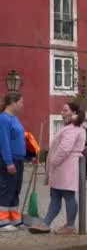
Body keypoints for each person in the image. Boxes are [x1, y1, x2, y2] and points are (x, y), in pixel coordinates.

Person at [29, 102, 86, 235]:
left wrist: (53, 162)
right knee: (55, 195)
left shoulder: (72, 128)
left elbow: (65, 148)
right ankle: (46, 224)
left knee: (68, 195)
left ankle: (70, 226)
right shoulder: (71, 127)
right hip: (62, 167)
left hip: (65, 167)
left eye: (65, 110)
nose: (62, 112)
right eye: (62, 110)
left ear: (73, 113)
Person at [0, 93, 26, 232]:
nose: (22, 105)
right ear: (12, 103)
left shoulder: (15, 118)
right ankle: (2, 220)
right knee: (6, 189)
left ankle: (14, 218)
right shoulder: (3, 119)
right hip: (9, 159)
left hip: (19, 158)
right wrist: (8, 162)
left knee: (16, 189)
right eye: (21, 102)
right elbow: (4, 142)